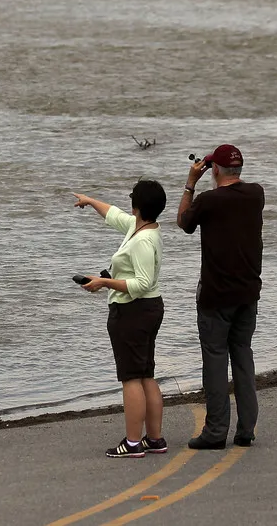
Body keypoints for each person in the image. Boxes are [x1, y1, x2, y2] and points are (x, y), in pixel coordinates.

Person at [177, 144, 264, 449]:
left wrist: (190, 182)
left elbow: (183, 222)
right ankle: (246, 429)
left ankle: (215, 432)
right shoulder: (256, 194)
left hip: (216, 295)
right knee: (243, 356)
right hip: (248, 292)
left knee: (215, 361)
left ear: (213, 170)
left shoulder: (208, 200)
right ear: (239, 169)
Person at [73, 180, 168, 459]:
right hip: (149, 309)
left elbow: (141, 283)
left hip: (133, 312)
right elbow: (115, 216)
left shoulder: (141, 240)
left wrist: (103, 282)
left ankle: (133, 442)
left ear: (137, 205)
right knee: (145, 374)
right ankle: (155, 438)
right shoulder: (144, 227)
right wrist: (90, 201)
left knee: (131, 378)